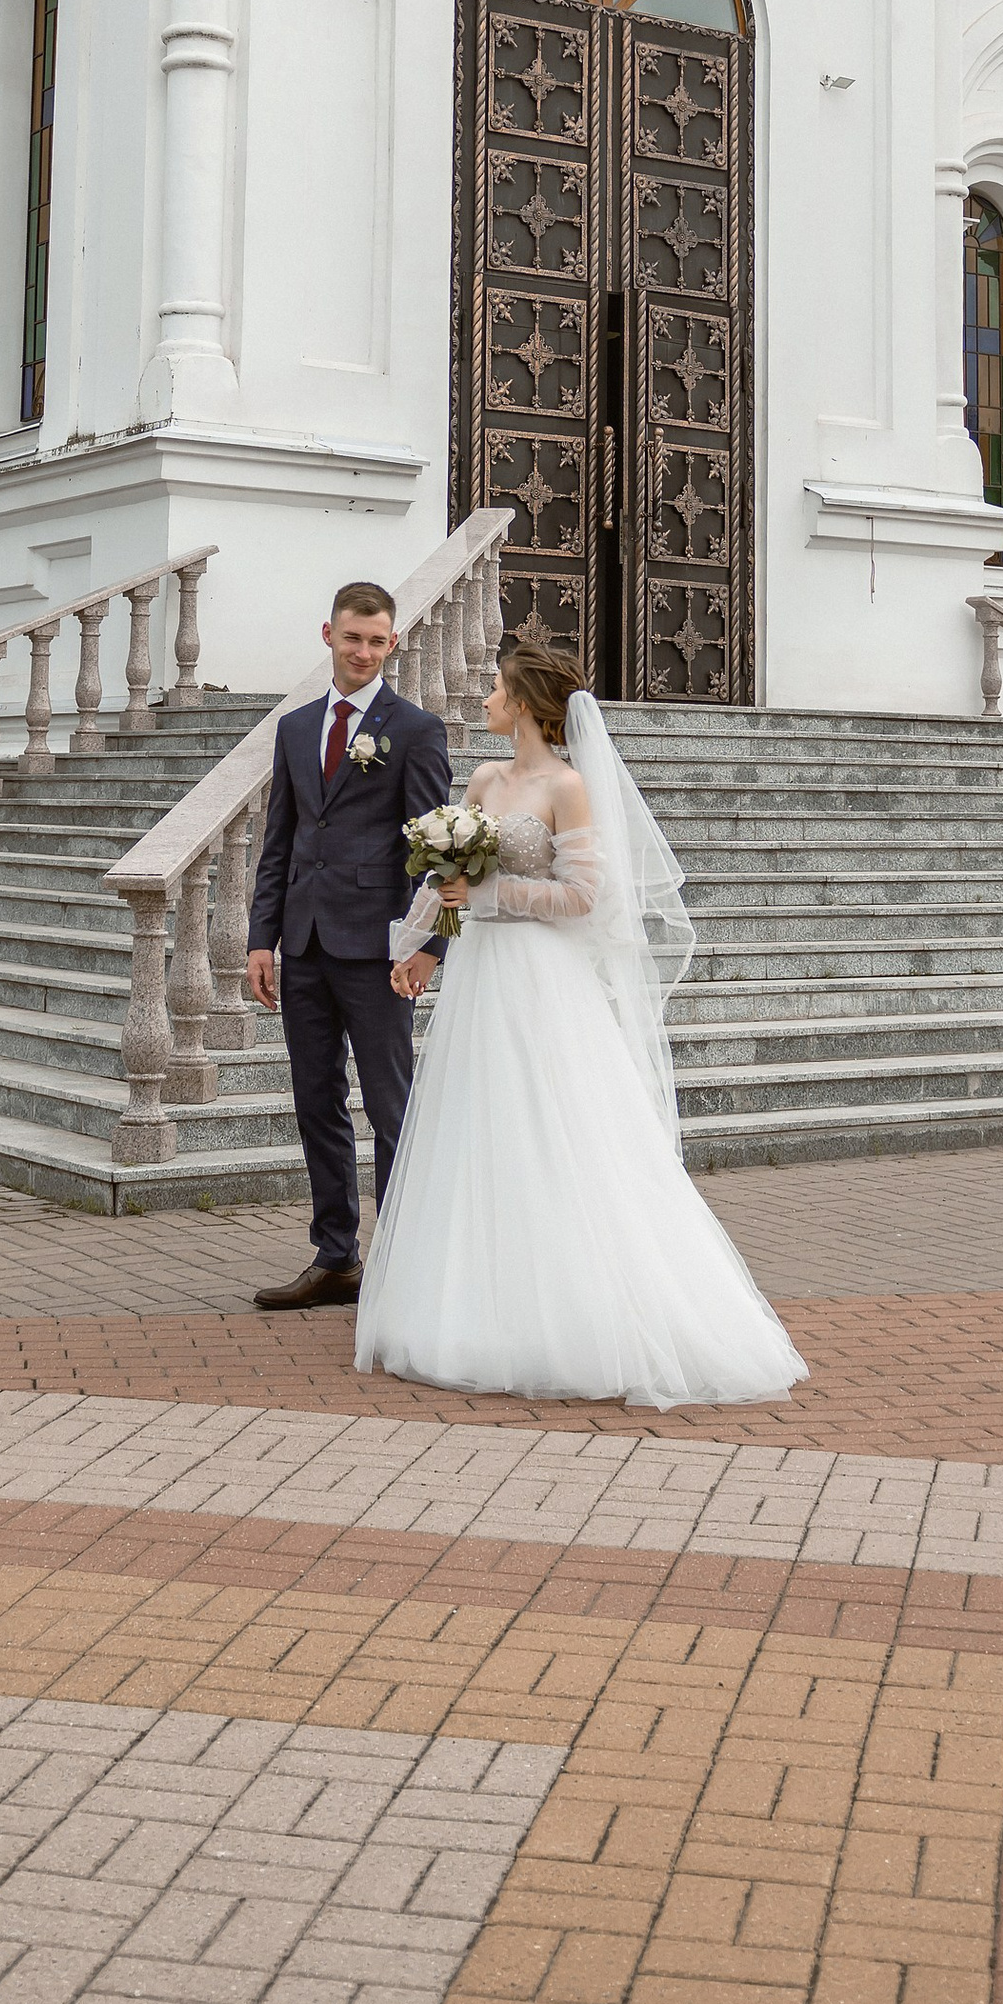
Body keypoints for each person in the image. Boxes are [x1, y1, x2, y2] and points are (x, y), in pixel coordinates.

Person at [361, 634, 804, 1412]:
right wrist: (415, 947)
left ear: (526, 703)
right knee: (481, 1131)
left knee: (555, 1129)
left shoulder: (567, 787)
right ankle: (474, 1310)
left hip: (542, 981)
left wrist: (492, 898)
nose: (487, 699)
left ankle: (575, 1313)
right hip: (481, 982)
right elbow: (446, 878)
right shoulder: (485, 778)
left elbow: (584, 898)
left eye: (497, 689)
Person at [247, 581, 451, 1309]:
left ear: (392, 644)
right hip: (301, 943)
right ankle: (336, 1257)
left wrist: (433, 947)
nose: (363, 651)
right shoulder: (297, 727)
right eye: (352, 637)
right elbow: (281, 842)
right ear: (327, 634)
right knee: (315, 1101)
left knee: (391, 1107)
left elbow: (441, 854)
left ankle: (400, 1259)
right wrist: (260, 938)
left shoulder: (417, 729)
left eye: (377, 640)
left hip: (379, 954)